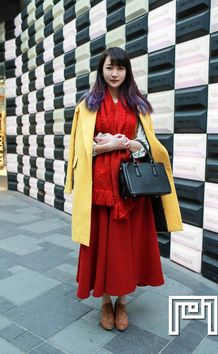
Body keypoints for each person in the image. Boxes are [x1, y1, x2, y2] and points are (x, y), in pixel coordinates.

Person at [64, 47, 183, 332]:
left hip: (131, 188)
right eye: (109, 68)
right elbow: (82, 147)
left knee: (126, 248)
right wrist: (103, 146)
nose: (114, 73)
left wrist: (122, 144)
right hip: (100, 189)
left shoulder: (138, 105)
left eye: (120, 68)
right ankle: (105, 301)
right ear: (101, 71)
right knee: (103, 247)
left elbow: (145, 145)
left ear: (127, 71)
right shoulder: (88, 105)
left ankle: (123, 302)